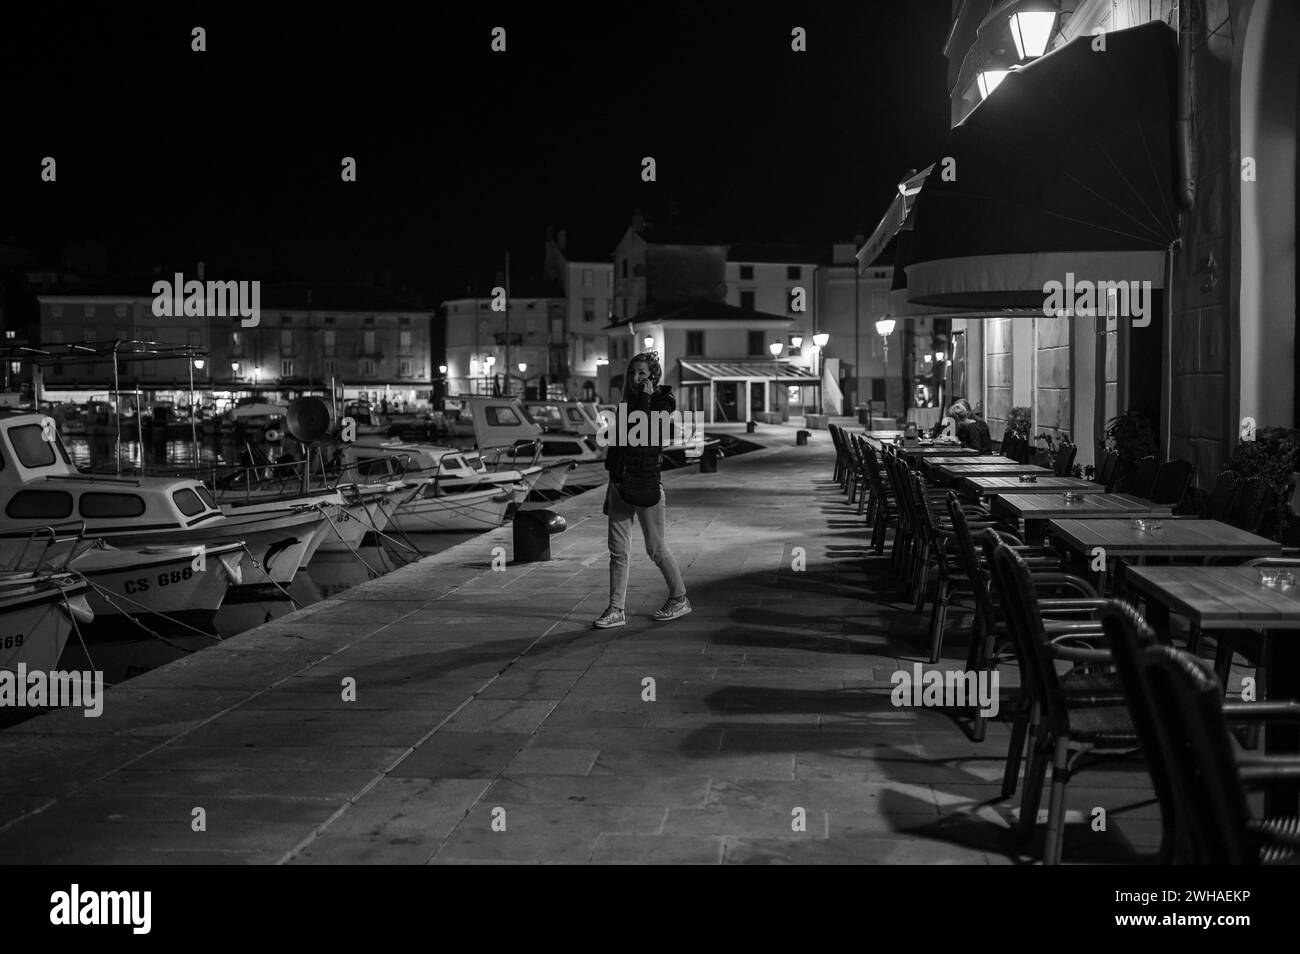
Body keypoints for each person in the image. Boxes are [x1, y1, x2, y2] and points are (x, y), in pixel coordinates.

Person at [593, 352, 690, 628]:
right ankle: (615, 609)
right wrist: (610, 485)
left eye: (641, 373)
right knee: (617, 551)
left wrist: (646, 397)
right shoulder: (627, 403)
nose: (635, 378)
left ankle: (679, 598)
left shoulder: (663, 401)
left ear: (653, 376)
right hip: (620, 484)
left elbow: (647, 435)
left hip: (646, 483)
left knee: (656, 548)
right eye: (632, 373)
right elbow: (618, 448)